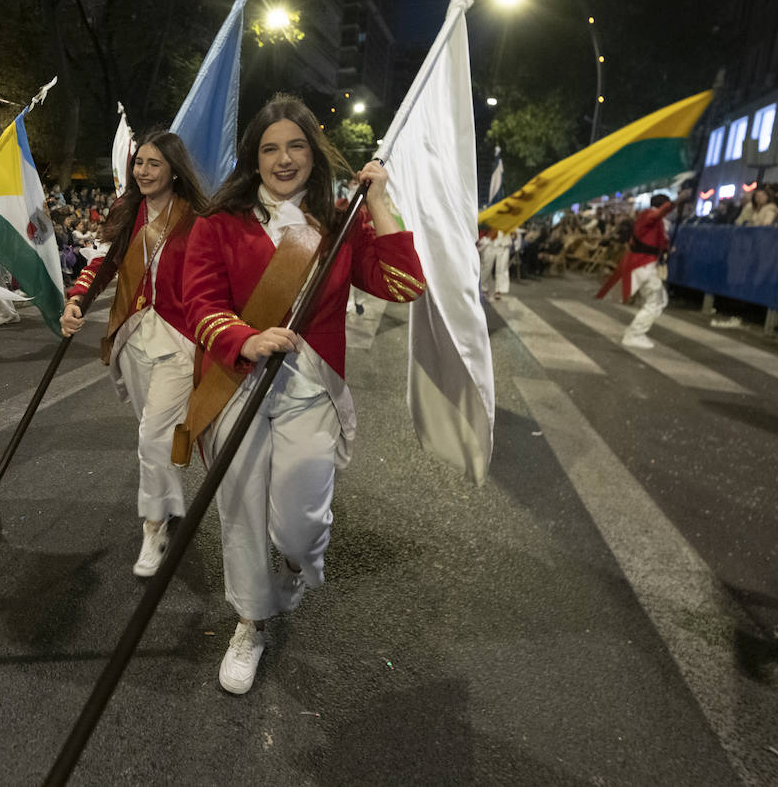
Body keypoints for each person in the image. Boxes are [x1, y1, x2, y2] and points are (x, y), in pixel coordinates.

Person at [179, 93, 426, 695]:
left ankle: (295, 556)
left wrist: (381, 202)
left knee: (296, 529)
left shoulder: (339, 227)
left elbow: (404, 284)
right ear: (253, 159)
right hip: (236, 383)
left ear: (313, 154)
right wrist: (246, 336)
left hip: (311, 391)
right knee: (239, 513)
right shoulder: (218, 225)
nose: (283, 158)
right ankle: (249, 623)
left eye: (295, 146)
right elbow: (198, 304)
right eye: (270, 148)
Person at [60, 132, 206, 577]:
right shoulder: (127, 212)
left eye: (153, 164)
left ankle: (153, 525)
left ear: (174, 169)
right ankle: (169, 499)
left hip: (179, 341)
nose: (142, 171)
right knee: (154, 434)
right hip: (133, 337)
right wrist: (77, 301)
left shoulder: (198, 218)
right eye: (139, 162)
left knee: (151, 437)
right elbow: (101, 263)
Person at [595, 189, 691, 348]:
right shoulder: (649, 215)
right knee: (656, 301)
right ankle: (635, 333)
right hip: (642, 264)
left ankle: (636, 332)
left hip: (645, 264)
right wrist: (677, 201)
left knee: (658, 300)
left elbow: (656, 240)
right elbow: (657, 216)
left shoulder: (654, 221)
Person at [477, 228, 511, 300]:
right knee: (486, 266)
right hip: (489, 239)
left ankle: (499, 290)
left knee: (502, 268)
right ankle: (483, 288)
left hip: (503, 241)